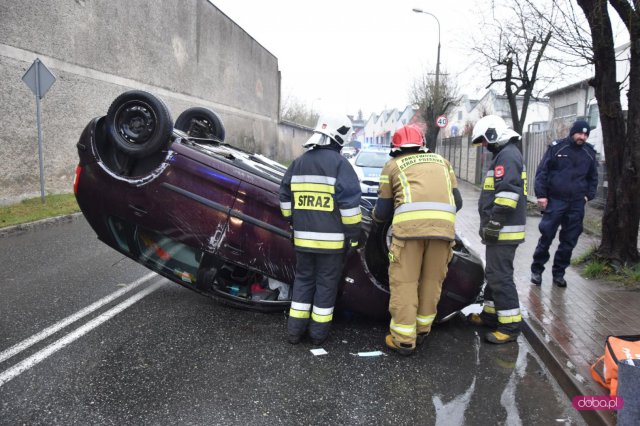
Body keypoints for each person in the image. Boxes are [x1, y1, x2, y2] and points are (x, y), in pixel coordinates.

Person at [372, 124, 462, 356]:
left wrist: (376, 216)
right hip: (443, 232)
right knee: (432, 281)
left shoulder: (392, 166)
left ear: (395, 147)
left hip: (408, 234)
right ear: (422, 144)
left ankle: (403, 339)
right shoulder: (443, 162)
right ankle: (422, 330)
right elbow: (458, 202)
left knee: (405, 283)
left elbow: (382, 212)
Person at [279, 113, 362, 346]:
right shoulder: (340, 165)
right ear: (338, 138)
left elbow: (284, 197)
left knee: (303, 282)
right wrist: (353, 238)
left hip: (303, 241)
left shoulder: (298, 162)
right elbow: (350, 207)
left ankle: (294, 332)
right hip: (332, 245)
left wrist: (291, 220)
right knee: (326, 286)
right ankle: (317, 335)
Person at [468, 115, 527, 344]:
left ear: (493, 134)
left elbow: (508, 194)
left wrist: (494, 222)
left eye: (484, 140)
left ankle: (510, 326)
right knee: (494, 274)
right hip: (502, 230)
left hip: (504, 230)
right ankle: (491, 316)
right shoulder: (506, 154)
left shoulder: (507, 156)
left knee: (501, 278)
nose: (484, 145)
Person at [530, 120, 598, 287]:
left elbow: (593, 178)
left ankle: (559, 274)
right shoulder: (557, 147)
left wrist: (587, 196)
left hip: (576, 204)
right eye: (579, 133)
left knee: (569, 241)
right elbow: (542, 172)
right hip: (555, 201)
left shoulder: (589, 153)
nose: (582, 137)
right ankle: (537, 270)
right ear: (572, 132)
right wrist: (541, 195)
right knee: (546, 237)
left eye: (585, 134)